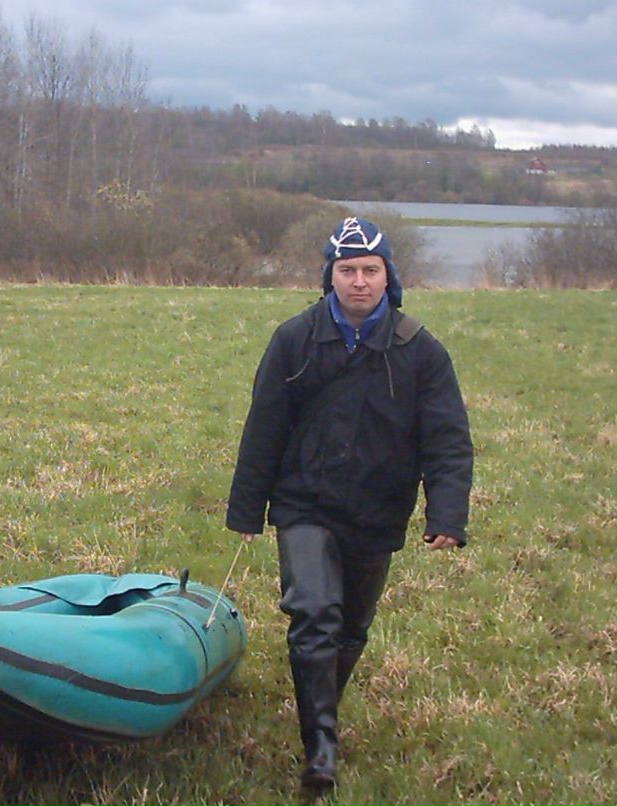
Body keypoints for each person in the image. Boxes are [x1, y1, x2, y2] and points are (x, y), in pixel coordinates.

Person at [226, 217, 473, 791]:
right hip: (304, 504)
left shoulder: (421, 350)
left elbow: (447, 438)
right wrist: (247, 510)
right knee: (313, 614)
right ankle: (320, 750)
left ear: (388, 276)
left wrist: (447, 514)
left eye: (370, 270)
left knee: (351, 629)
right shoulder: (295, 339)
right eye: (347, 271)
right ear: (329, 276)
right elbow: (264, 426)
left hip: (377, 509)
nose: (359, 281)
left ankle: (320, 710)